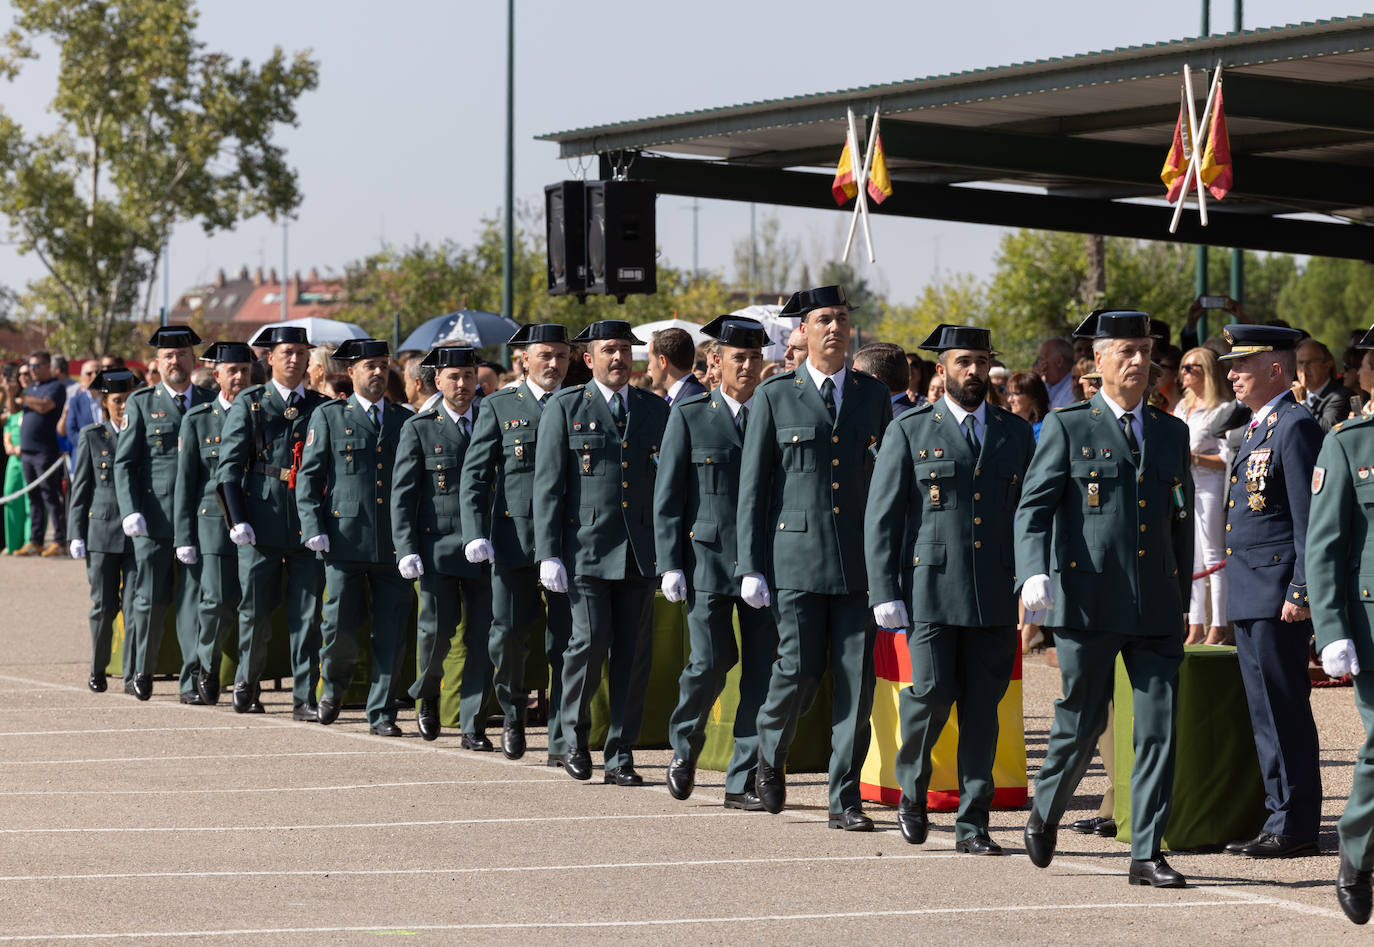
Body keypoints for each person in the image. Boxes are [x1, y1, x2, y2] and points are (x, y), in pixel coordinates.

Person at [1016, 309, 1193, 888]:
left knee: (1158, 728)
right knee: (1081, 723)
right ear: (1098, 361)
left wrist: (1182, 594)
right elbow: (1034, 508)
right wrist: (1032, 573)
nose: (1140, 361)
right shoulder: (1069, 426)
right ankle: (1047, 809)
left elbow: (1180, 522)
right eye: (1126, 351)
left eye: (1145, 351)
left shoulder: (1171, 431)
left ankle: (1146, 851)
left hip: (1155, 607)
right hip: (1088, 602)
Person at [865, 324, 1035, 854]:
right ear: (941, 370)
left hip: (992, 593)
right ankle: (912, 794)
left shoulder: (1014, 433)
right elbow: (883, 515)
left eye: (982, 362)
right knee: (930, 698)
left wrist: (1032, 575)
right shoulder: (911, 430)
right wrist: (882, 590)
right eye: (964, 362)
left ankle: (973, 822)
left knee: (984, 709)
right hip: (930, 590)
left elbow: (1029, 512)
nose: (975, 372)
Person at [736, 284, 891, 831]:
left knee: (856, 681)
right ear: (802, 330)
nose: (834, 328)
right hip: (795, 556)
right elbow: (754, 487)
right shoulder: (776, 396)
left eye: (842, 319)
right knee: (796, 672)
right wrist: (749, 564)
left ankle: (843, 797)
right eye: (823, 319)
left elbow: (886, 484)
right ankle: (769, 756)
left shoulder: (873, 397)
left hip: (856, 563)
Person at [533, 320, 670, 786]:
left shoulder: (655, 410)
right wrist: (548, 552)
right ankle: (573, 738)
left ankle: (621, 753)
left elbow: (668, 490)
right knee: (587, 646)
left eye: (625, 350)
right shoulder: (565, 407)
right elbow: (548, 485)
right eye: (608, 350)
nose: (618, 358)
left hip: (639, 552)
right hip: (585, 550)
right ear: (587, 359)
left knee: (633, 657)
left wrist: (669, 555)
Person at [656, 316, 777, 811]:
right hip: (706, 559)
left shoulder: (774, 413)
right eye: (738, 358)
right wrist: (671, 563)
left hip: (766, 562)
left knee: (763, 673)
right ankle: (684, 747)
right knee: (709, 662)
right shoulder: (689, 415)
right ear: (715, 362)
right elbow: (668, 498)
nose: (747, 367)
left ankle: (741, 780)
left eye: (754, 358)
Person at [1218, 324, 1323, 859]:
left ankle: (1296, 822)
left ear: (1275, 369)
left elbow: (1309, 522)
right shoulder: (1259, 426)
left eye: (1242, 364)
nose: (1231, 374)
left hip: (1278, 592)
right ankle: (1282, 813)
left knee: (1283, 710)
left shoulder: (1295, 426)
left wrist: (1301, 590)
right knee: (1265, 713)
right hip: (1251, 589)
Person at [460, 324, 573, 762]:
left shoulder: (578, 403)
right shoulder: (501, 405)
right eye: (545, 355)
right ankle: (512, 712)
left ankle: (563, 737)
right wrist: (475, 532)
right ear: (524, 359)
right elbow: (475, 474)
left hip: (569, 542)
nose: (553, 364)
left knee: (568, 642)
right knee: (507, 635)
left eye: (562, 356)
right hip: (514, 541)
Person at [299, 339, 416, 737]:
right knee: (338, 629)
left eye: (383, 366)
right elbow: (309, 478)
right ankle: (332, 689)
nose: (378, 373)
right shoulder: (331, 416)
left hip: (392, 543)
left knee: (392, 631)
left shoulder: (404, 419)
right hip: (344, 540)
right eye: (369, 366)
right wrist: (313, 527)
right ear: (351, 372)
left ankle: (381, 711)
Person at [218, 324, 329, 716]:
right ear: (270, 357)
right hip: (261, 518)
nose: (296, 360)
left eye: (301, 353)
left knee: (307, 614)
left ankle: (304, 698)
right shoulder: (251, 402)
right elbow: (228, 469)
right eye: (288, 353)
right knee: (255, 612)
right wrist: (236, 520)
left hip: (304, 522)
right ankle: (247, 683)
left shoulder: (319, 406)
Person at [392, 345, 494, 746]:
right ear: (438, 381)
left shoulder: (491, 419)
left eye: (468, 377)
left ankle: (472, 723)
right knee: (436, 636)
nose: (462, 384)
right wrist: (406, 547)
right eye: (453, 377)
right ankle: (428, 696)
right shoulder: (420, 427)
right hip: (438, 549)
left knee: (482, 638)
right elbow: (403, 494)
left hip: (484, 547)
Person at [1307, 339, 1374, 922]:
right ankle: (1356, 851)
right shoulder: (1349, 442)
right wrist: (1331, 629)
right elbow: (1324, 546)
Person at [113, 327, 215, 701]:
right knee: (149, 600)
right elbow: (124, 463)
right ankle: (140, 671)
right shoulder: (141, 403)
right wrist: (130, 511)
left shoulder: (209, 399)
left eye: (182, 354)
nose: (176, 361)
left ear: (193, 360)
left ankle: (191, 683)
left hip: (197, 519)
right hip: (153, 519)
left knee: (194, 603)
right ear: (157, 363)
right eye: (168, 356)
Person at [173, 342, 253, 706]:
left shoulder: (260, 412)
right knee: (216, 601)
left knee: (251, 604)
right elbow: (186, 482)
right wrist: (183, 534)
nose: (239, 378)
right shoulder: (199, 418)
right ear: (216, 374)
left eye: (245, 371)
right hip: (212, 520)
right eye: (232, 371)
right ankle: (204, 667)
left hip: (256, 516)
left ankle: (244, 682)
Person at [67, 368, 139, 693]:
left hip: (139, 534)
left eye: (129, 399)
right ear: (105, 403)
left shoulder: (143, 433)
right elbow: (80, 488)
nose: (124, 406)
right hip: (102, 532)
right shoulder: (93, 436)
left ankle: (134, 672)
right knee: (104, 605)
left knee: (137, 604)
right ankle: (98, 668)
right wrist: (75, 533)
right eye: (118, 400)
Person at [1174, 347, 1230, 645]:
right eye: (1183, 367)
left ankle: (1218, 625)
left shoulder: (1222, 409)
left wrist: (1193, 458)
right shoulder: (1183, 407)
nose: (1184, 373)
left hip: (1209, 483)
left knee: (1213, 555)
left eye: (1191, 367)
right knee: (1192, 556)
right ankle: (1195, 624)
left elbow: (1228, 458)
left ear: (1206, 371)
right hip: (1185, 486)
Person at [16, 350, 68, 557]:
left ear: (48, 366)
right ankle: (36, 541)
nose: (32, 370)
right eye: (30, 367)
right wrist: (15, 395)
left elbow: (45, 406)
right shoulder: (30, 388)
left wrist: (24, 398)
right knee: (33, 497)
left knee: (51, 496)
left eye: (36, 366)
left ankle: (60, 541)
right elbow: (14, 408)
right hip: (27, 451)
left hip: (45, 451)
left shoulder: (56, 387)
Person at [1294, 339, 1350, 432]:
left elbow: (1328, 430)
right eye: (1300, 363)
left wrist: (1302, 403)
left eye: (1310, 362)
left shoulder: (1341, 395)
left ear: (1327, 364)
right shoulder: (1291, 394)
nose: (1304, 369)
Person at [2, 367, 30, 554]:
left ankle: (30, 542)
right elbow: (10, 421)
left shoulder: (32, 396)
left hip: (30, 454)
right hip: (14, 456)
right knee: (10, 496)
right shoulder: (12, 398)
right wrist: (8, 443)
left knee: (31, 500)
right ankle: (12, 544)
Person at [647, 327, 707, 407]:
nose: (649, 367)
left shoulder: (691, 401)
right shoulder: (689, 395)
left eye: (651, 361)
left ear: (662, 361)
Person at [854, 342, 914, 418]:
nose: (851, 381)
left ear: (874, 383)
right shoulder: (913, 415)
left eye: (855, 376)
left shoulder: (892, 421)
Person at [1005, 371, 1050, 440]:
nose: (1009, 400)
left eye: (1016, 394)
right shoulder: (1008, 425)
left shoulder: (1044, 429)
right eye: (1009, 394)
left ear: (1033, 396)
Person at [1035, 337, 1077, 411]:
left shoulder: (1074, 389)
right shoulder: (1045, 385)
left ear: (1059, 362)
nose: (1039, 365)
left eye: (1042, 359)